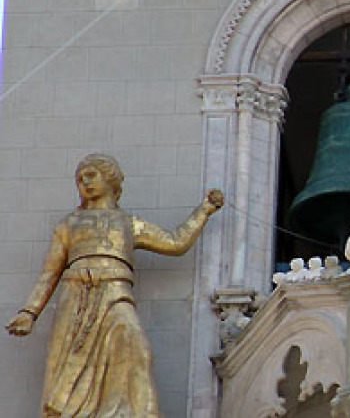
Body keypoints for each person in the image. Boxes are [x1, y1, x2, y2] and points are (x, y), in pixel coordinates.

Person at [5, 154, 223, 417]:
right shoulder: (69, 224)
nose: (85, 182)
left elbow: (175, 242)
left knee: (135, 345)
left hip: (115, 293)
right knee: (65, 360)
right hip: (75, 296)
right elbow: (49, 273)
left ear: (111, 179)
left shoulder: (129, 223)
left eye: (91, 175)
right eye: (80, 179)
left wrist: (203, 211)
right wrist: (29, 313)